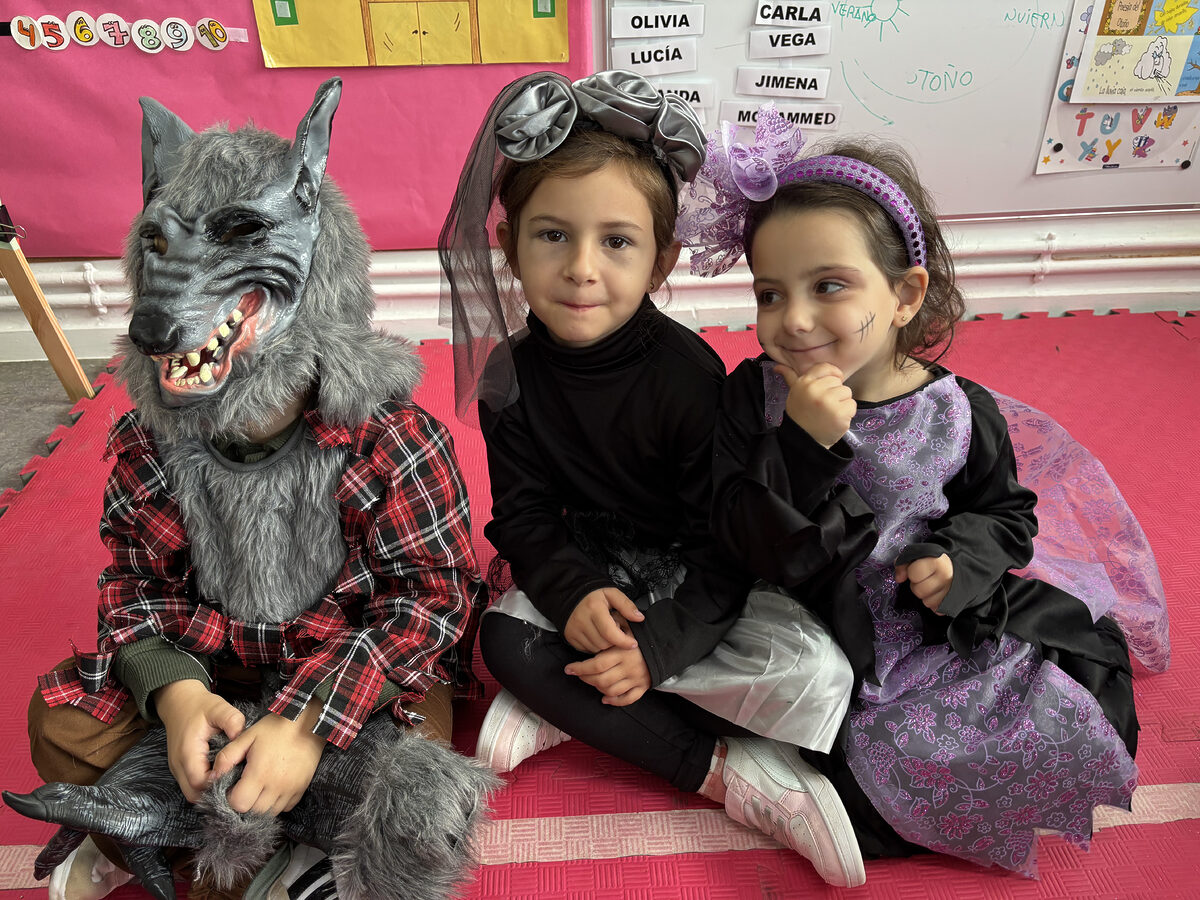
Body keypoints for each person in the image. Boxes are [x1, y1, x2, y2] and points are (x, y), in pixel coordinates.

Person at [5, 79, 496, 900]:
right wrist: (177, 696)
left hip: (352, 682)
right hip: (219, 673)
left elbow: (431, 602)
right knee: (58, 726)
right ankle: (239, 828)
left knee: (413, 800)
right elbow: (134, 587)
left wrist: (306, 724)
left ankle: (177, 826)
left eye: (235, 235)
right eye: (163, 244)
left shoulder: (391, 437)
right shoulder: (151, 444)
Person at [677, 104, 1168, 874]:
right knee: (851, 778)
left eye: (828, 286)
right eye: (770, 293)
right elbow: (736, 535)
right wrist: (802, 446)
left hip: (929, 627)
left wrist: (958, 558)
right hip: (810, 626)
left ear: (905, 295)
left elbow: (1006, 514)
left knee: (1050, 713)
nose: (793, 320)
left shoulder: (957, 412)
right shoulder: (753, 398)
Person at [438, 71, 865, 887]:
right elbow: (525, 519)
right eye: (552, 236)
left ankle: (583, 707)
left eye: (617, 242)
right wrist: (573, 592)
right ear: (509, 245)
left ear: (662, 259)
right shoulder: (508, 378)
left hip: (699, 584)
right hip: (598, 569)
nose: (581, 269)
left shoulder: (688, 379)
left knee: (822, 679)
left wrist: (660, 649)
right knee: (501, 641)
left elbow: (728, 543)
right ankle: (723, 772)